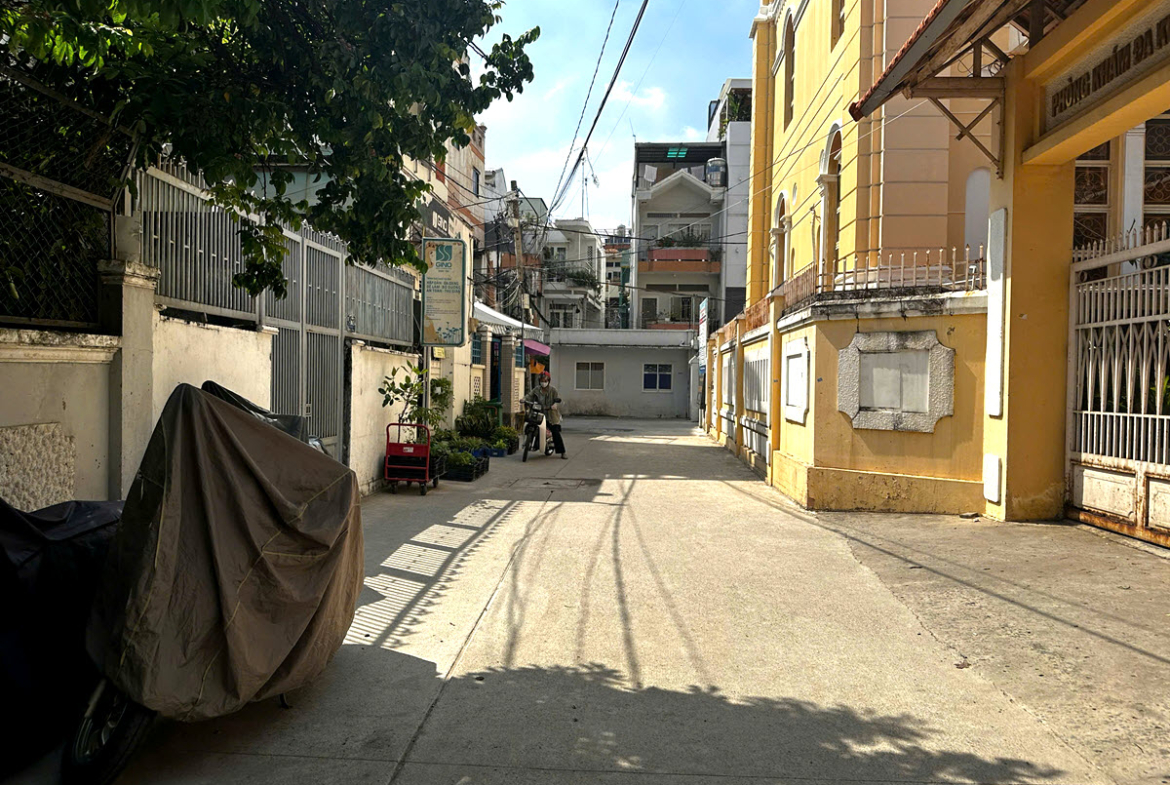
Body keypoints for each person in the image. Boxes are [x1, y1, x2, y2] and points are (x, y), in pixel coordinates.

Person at [524, 371, 566, 458]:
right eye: (542, 380)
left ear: (548, 381)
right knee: (530, 424)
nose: (543, 382)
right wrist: (523, 399)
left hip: (551, 416)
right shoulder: (536, 389)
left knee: (555, 432)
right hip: (539, 413)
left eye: (545, 380)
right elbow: (529, 395)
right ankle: (529, 442)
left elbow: (559, 399)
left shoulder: (553, 390)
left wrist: (555, 405)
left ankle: (562, 452)